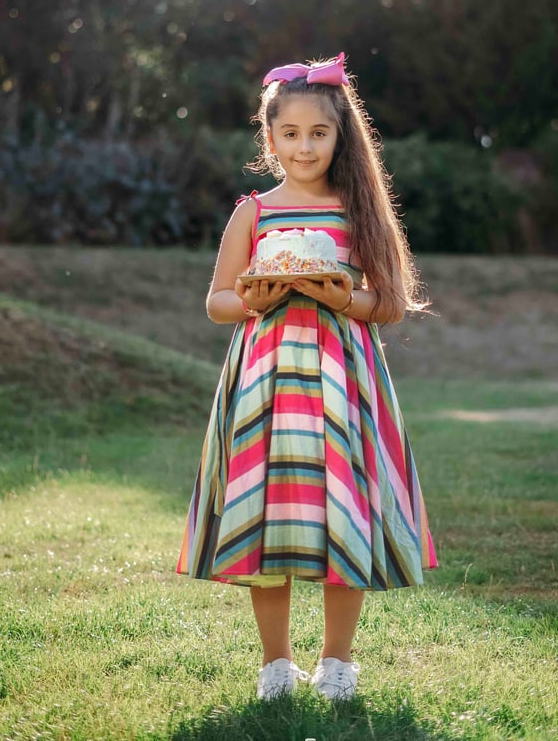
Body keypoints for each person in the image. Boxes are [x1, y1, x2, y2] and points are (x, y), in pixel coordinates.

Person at [177, 52, 437, 701]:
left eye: (318, 133)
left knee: (341, 509)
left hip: (342, 383)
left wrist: (340, 296)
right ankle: (275, 665)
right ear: (269, 139)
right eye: (289, 134)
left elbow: (391, 303)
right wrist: (258, 298)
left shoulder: (358, 213)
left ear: (341, 136)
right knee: (269, 513)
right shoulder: (254, 213)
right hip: (266, 383)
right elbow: (217, 303)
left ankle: (338, 663)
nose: (304, 146)